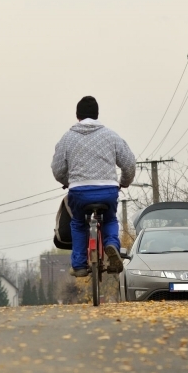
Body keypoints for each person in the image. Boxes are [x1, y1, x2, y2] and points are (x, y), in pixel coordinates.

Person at [51, 96, 136, 277]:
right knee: (110, 219)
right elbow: (129, 163)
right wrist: (124, 182)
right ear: (97, 114)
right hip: (107, 190)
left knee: (78, 223)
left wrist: (68, 181)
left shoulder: (67, 138)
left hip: (79, 192)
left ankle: (80, 265)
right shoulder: (111, 136)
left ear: (77, 115)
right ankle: (111, 244)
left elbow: (57, 169)